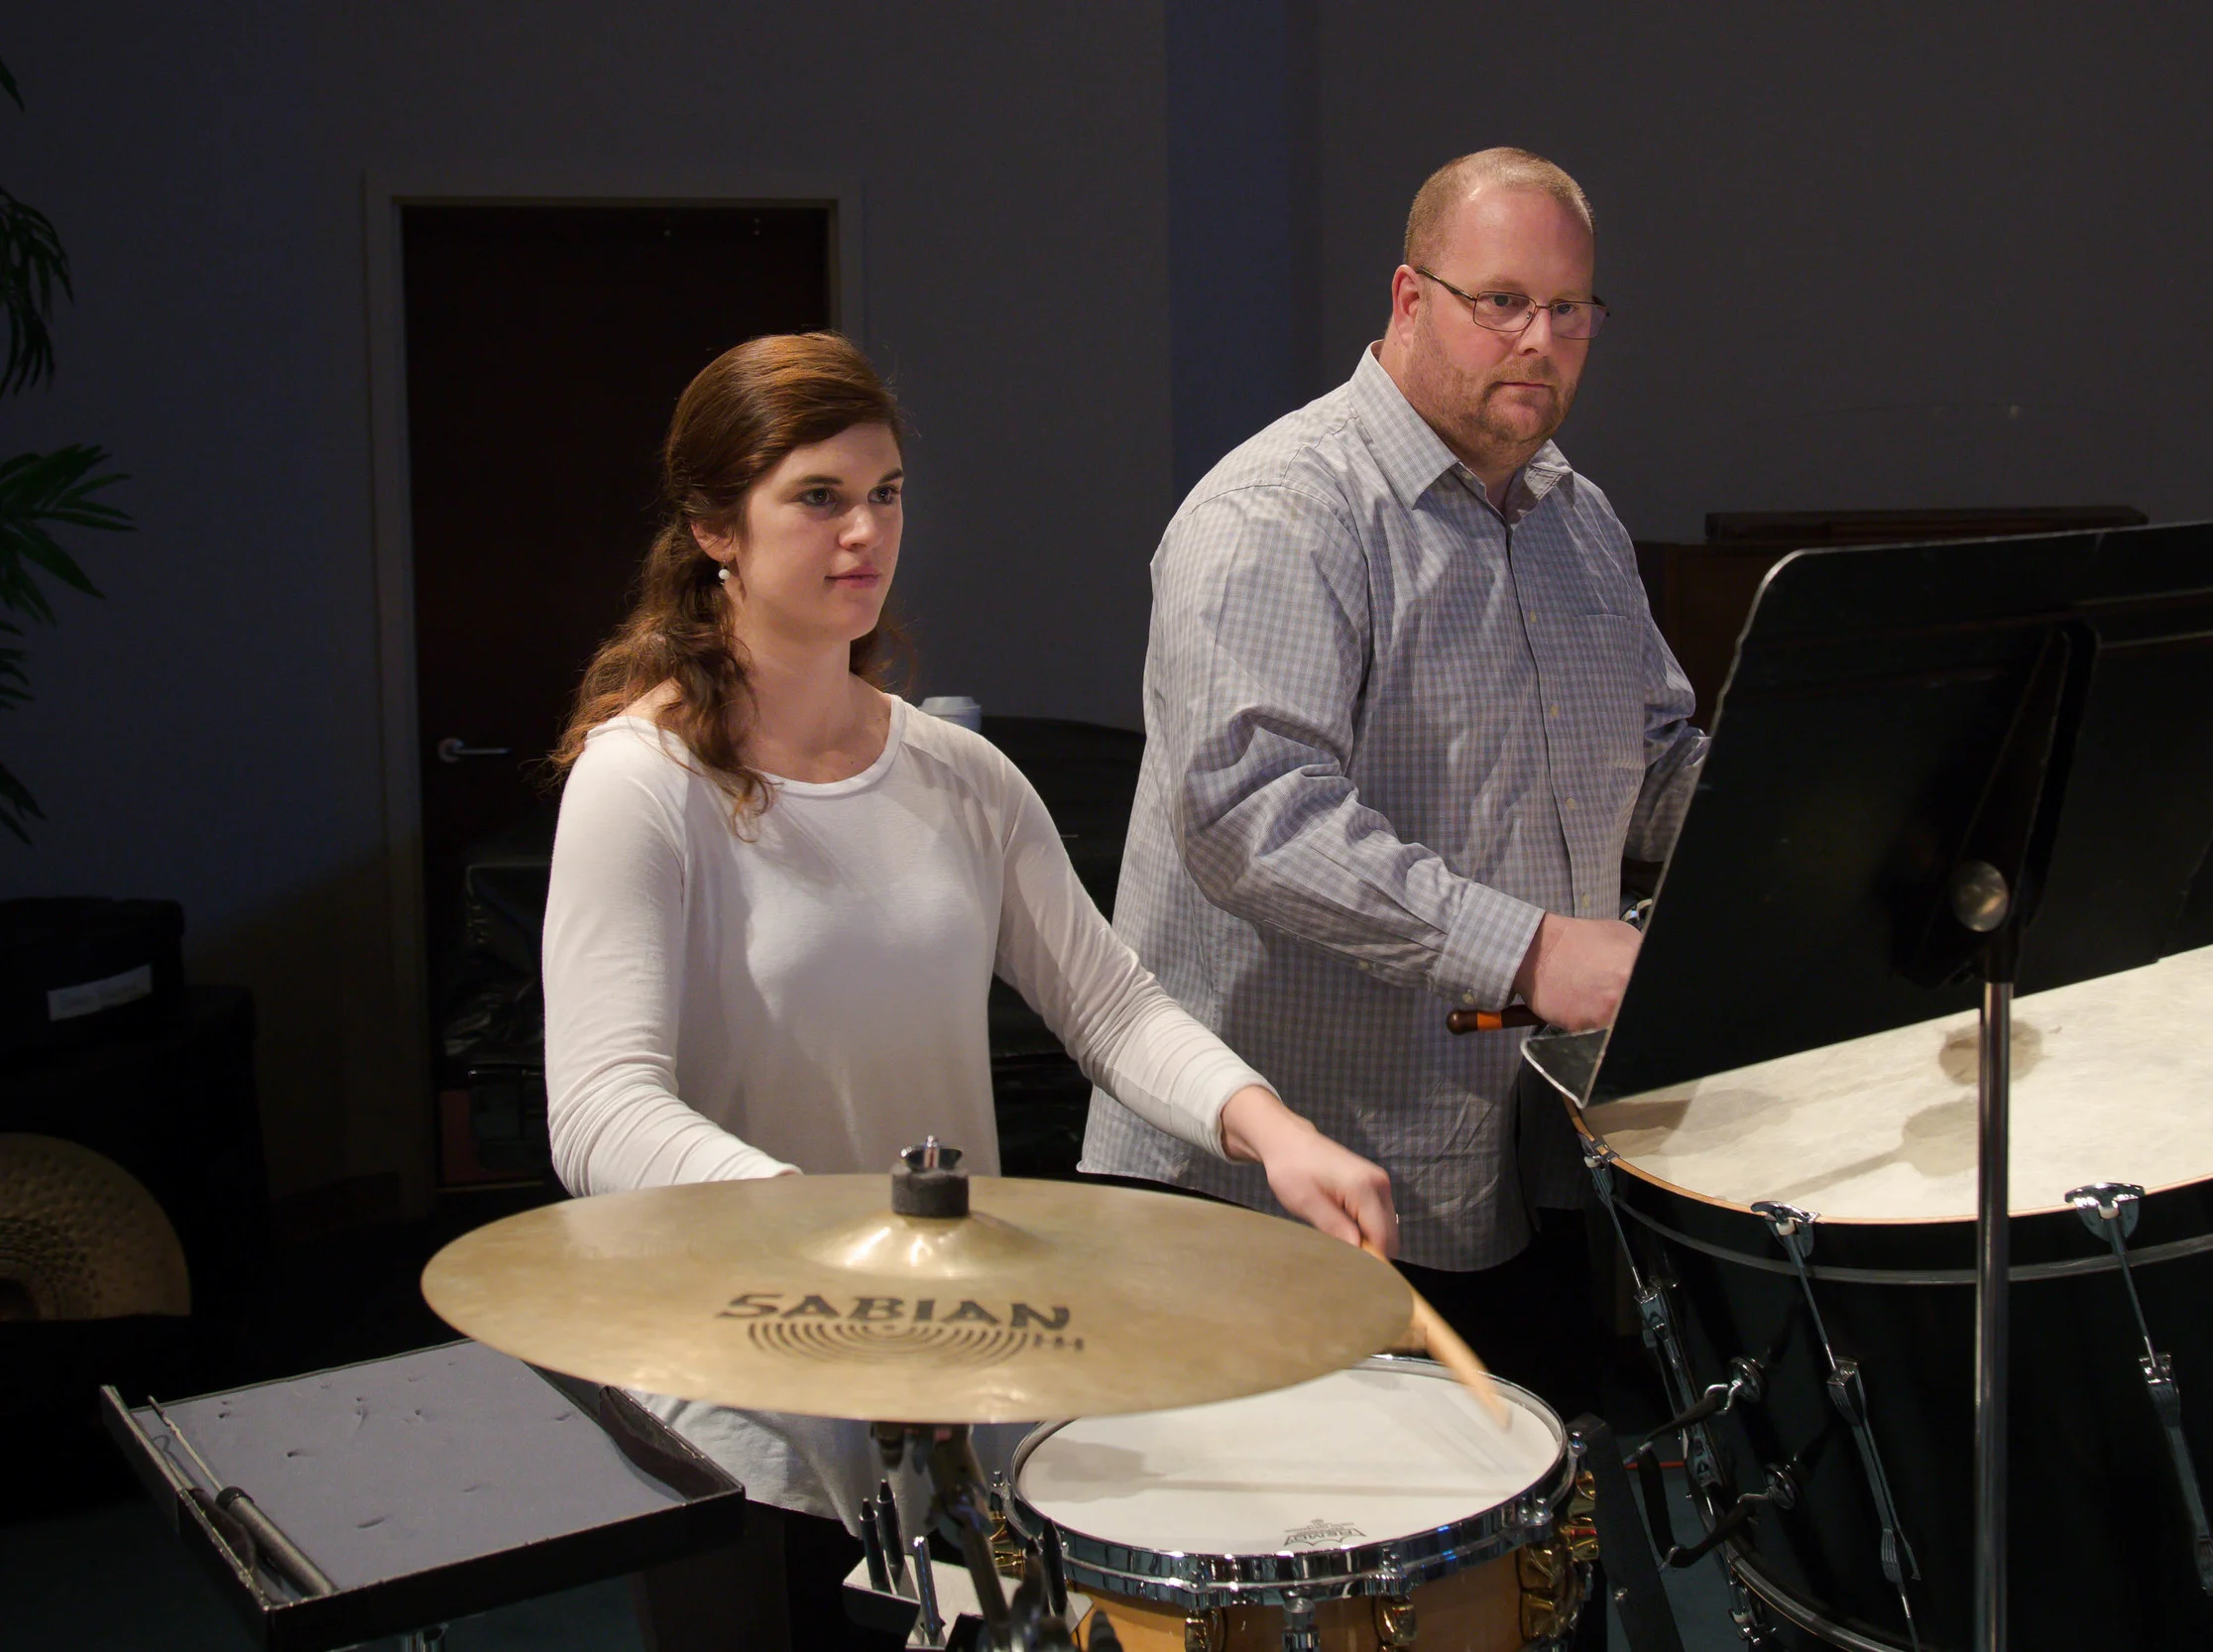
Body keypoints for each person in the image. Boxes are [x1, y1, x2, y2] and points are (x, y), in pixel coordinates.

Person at [540, 332, 1398, 1652]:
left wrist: (1269, 1127)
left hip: (948, 1369)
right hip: (747, 1403)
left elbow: (1111, 1004)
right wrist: (816, 1224)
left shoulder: (957, 774)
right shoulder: (642, 782)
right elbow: (598, 1109)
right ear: (716, 525)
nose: (864, 532)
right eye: (816, 497)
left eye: (884, 493)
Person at [1080, 150, 1705, 1416]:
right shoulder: (1278, 511)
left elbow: (1652, 769)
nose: (1541, 340)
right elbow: (1250, 818)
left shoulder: (1575, 521)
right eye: (1503, 302)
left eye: (1571, 310)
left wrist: (1824, 821)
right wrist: (1527, 951)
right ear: (1410, 300)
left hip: (1488, 1169)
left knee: (1526, 1588)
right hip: (1261, 1191)